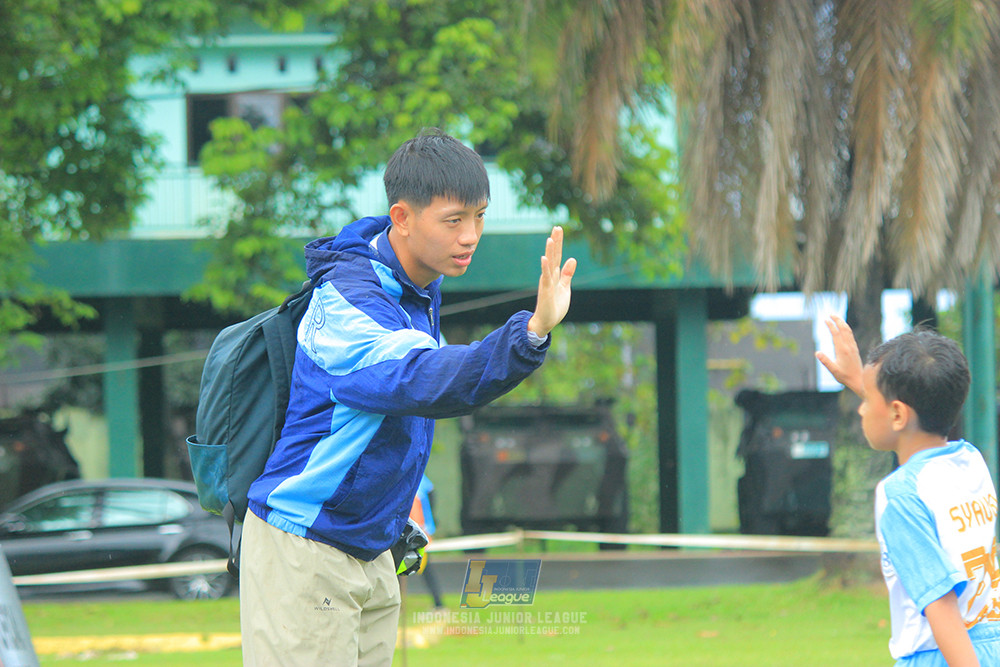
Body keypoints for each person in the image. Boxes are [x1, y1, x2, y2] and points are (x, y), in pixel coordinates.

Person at [238, 128, 576, 667]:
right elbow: (427, 378)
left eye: (480, 217)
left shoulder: (416, 291)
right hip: (306, 547)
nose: (472, 236)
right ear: (402, 217)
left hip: (372, 548)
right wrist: (531, 331)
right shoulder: (348, 301)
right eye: (454, 220)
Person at [816, 315, 1000, 667]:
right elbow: (911, 420)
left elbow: (941, 606)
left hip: (942, 656)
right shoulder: (970, 461)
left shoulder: (900, 495)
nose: (861, 408)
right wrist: (865, 383)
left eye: (868, 400)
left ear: (898, 414)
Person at [409, 474, 445, 608]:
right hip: (420, 534)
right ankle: (439, 604)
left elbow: (417, 509)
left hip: (417, 535)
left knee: (424, 569)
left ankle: (439, 604)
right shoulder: (420, 479)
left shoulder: (415, 483)